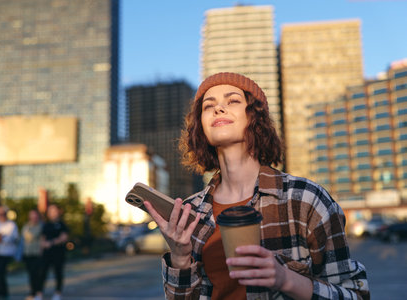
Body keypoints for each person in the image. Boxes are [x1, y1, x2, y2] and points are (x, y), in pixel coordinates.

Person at [144, 72, 370, 300]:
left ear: (255, 117)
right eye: (208, 106)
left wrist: (285, 279)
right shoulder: (191, 212)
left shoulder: (305, 200)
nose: (218, 109)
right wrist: (180, 258)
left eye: (232, 101)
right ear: (200, 126)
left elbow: (356, 296)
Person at [38, 204, 69, 300]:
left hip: (58, 253)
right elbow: (42, 238)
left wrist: (51, 243)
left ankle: (58, 293)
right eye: (50, 211)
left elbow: (64, 238)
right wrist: (43, 245)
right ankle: (39, 294)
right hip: (47, 254)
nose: (52, 213)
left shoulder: (62, 225)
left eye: (54, 211)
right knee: (42, 273)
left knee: (58, 273)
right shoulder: (46, 225)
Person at [21, 209, 43, 300]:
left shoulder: (41, 226)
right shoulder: (26, 226)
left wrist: (29, 235)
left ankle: (38, 292)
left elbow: (32, 235)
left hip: (37, 253)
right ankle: (33, 292)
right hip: (28, 253)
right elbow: (24, 236)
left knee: (37, 274)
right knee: (31, 274)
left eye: (35, 215)